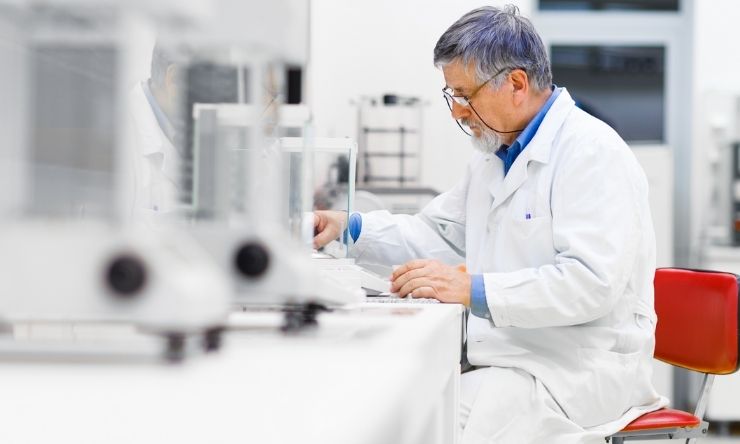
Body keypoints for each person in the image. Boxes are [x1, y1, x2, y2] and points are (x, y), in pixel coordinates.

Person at [313, 5, 666, 444]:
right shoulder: (494, 158)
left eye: (465, 95)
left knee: (421, 422)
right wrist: (349, 228)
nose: (456, 112)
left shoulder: (592, 153)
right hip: (514, 360)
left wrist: (472, 290)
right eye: (451, 96)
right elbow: (438, 234)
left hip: (576, 371)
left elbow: (590, 284)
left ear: (516, 84)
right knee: (400, 400)